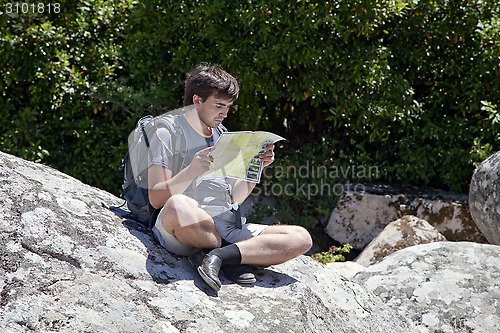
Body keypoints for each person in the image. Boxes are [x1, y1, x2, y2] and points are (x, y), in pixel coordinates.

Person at [147, 64, 312, 291]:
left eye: (228, 107)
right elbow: (156, 198)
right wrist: (191, 171)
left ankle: (219, 256)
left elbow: (235, 198)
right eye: (219, 106)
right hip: (186, 225)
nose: (224, 113)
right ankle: (236, 256)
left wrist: (256, 169)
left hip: (227, 228)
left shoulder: (224, 135)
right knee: (178, 205)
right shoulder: (167, 131)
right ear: (197, 100)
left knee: (301, 238)